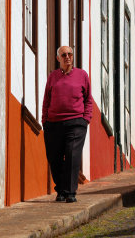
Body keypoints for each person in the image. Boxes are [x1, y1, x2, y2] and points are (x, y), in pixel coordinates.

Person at [42, 46, 93, 203]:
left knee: (72, 155)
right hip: (53, 123)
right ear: (58, 58)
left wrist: (86, 119)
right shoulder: (53, 77)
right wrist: (45, 120)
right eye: (63, 55)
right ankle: (61, 189)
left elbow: (88, 99)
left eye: (70, 54)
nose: (67, 57)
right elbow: (47, 100)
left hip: (76, 122)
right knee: (54, 157)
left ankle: (70, 192)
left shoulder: (82, 75)